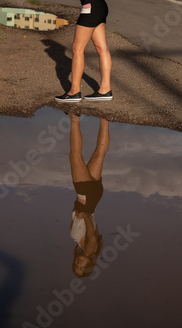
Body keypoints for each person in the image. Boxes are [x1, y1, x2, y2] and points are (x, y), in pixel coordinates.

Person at [68, 113, 110, 277]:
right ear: (89, 264)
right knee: (75, 156)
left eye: (76, 265)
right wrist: (84, 215)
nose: (78, 263)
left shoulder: (88, 248)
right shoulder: (90, 249)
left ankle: (105, 119)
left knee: (99, 154)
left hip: (94, 197)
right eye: (81, 266)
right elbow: (91, 236)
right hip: (85, 198)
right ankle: (74, 117)